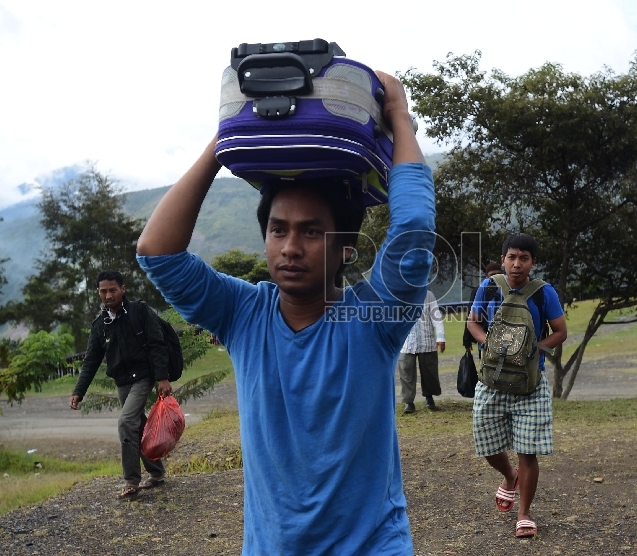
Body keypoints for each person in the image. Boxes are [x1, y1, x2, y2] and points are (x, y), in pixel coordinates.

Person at [135, 72, 434, 555]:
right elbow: (157, 253)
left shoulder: (373, 318)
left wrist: (399, 115)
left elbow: (414, 229)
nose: (290, 247)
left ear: (345, 249)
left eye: (311, 232)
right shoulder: (242, 313)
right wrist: (228, 135)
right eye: (278, 230)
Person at [466, 233, 567, 539]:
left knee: (528, 451)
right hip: (492, 381)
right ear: (503, 260)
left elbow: (561, 331)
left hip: (530, 384)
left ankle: (524, 514)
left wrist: (535, 349)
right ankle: (510, 476)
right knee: (485, 442)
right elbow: (473, 322)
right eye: (512, 257)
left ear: (532, 263)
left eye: (524, 258)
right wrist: (490, 344)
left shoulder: (543, 293)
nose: (517, 264)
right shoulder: (489, 286)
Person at [69, 270, 172, 498]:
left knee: (126, 421)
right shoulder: (100, 325)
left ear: (122, 289)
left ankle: (131, 481)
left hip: (144, 376)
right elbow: (91, 360)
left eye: (112, 290)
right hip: (122, 381)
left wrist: (162, 377)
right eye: (103, 291)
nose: (108, 296)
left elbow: (157, 343)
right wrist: (79, 391)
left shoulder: (139, 311)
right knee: (139, 425)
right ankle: (156, 473)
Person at [398, 289, 445, 413]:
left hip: (426, 340)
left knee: (429, 371)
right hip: (405, 342)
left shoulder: (428, 295)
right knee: (406, 371)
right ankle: (409, 402)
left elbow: (436, 316)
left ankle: (429, 398)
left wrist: (441, 337)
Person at [462, 262, 503, 355]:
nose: (496, 277)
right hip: (484, 335)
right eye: (493, 275)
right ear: (486, 276)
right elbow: (470, 316)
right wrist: (467, 340)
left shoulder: (508, 289)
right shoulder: (480, 290)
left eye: (498, 274)